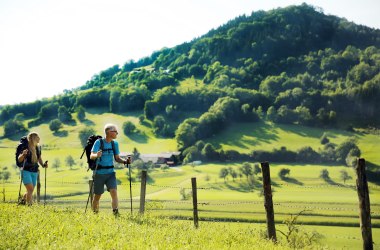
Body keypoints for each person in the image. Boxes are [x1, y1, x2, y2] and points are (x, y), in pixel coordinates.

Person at [90, 123, 129, 215]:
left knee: (114, 192)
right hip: (99, 173)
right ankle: (95, 214)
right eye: (115, 131)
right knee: (97, 196)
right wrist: (96, 155)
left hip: (111, 173)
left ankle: (115, 213)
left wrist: (125, 162)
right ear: (108, 132)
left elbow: (117, 158)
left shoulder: (114, 144)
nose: (117, 133)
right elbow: (92, 156)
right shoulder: (98, 142)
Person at [17, 132, 48, 205]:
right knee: (30, 190)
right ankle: (29, 206)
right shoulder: (26, 147)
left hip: (34, 171)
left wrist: (43, 165)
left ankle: (23, 200)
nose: (39, 139)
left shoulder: (37, 148)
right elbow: (19, 159)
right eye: (37, 137)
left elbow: (39, 158)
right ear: (33, 138)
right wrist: (23, 154)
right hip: (26, 171)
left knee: (30, 190)